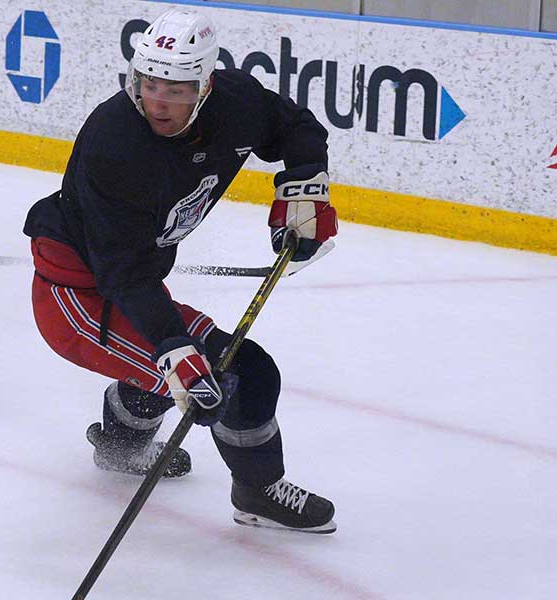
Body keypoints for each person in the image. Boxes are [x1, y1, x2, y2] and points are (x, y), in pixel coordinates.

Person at [23, 9, 338, 533]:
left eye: (178, 87)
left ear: (206, 84)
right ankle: (257, 489)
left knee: (196, 368)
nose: (159, 101)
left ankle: (120, 444)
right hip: (78, 296)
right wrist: (173, 347)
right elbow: (121, 271)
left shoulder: (235, 102)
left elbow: (297, 129)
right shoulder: (114, 139)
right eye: (150, 84)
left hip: (131, 281)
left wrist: (303, 189)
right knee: (235, 375)